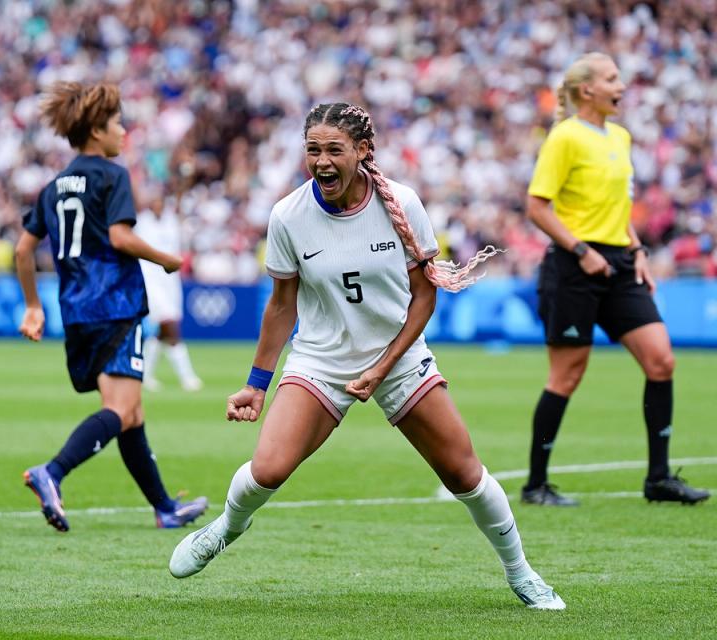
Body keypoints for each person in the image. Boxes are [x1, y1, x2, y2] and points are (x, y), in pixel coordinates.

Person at [169, 103, 565, 610]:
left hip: (398, 359)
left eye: (334, 149)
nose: (322, 161)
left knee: (464, 475)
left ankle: (521, 573)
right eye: (313, 150)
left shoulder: (402, 202)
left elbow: (425, 296)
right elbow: (282, 305)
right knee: (267, 469)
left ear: (362, 151)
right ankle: (226, 527)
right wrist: (257, 383)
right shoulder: (288, 215)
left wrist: (382, 366)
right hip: (320, 360)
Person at [15, 81, 209, 531]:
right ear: (97, 131)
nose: (124, 131)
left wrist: (32, 307)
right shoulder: (112, 176)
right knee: (121, 410)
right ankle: (53, 472)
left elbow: (23, 252)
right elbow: (120, 237)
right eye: (118, 123)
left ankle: (163, 506)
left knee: (131, 412)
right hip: (117, 305)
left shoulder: (54, 186)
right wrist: (165, 259)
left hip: (76, 309)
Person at [522, 53, 710, 507]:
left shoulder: (621, 137)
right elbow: (537, 206)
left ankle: (659, 479)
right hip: (574, 267)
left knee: (661, 361)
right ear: (587, 90)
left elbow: (619, 211)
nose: (621, 85)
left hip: (620, 265)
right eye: (612, 78)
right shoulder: (565, 137)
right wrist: (581, 252)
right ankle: (536, 485)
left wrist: (639, 250)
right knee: (567, 376)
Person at [135, 187, 203, 392]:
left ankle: (144, 374)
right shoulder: (141, 222)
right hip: (151, 280)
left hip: (170, 282)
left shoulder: (171, 220)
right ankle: (187, 377)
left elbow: (182, 205)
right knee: (170, 326)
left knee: (162, 331)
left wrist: (186, 180)